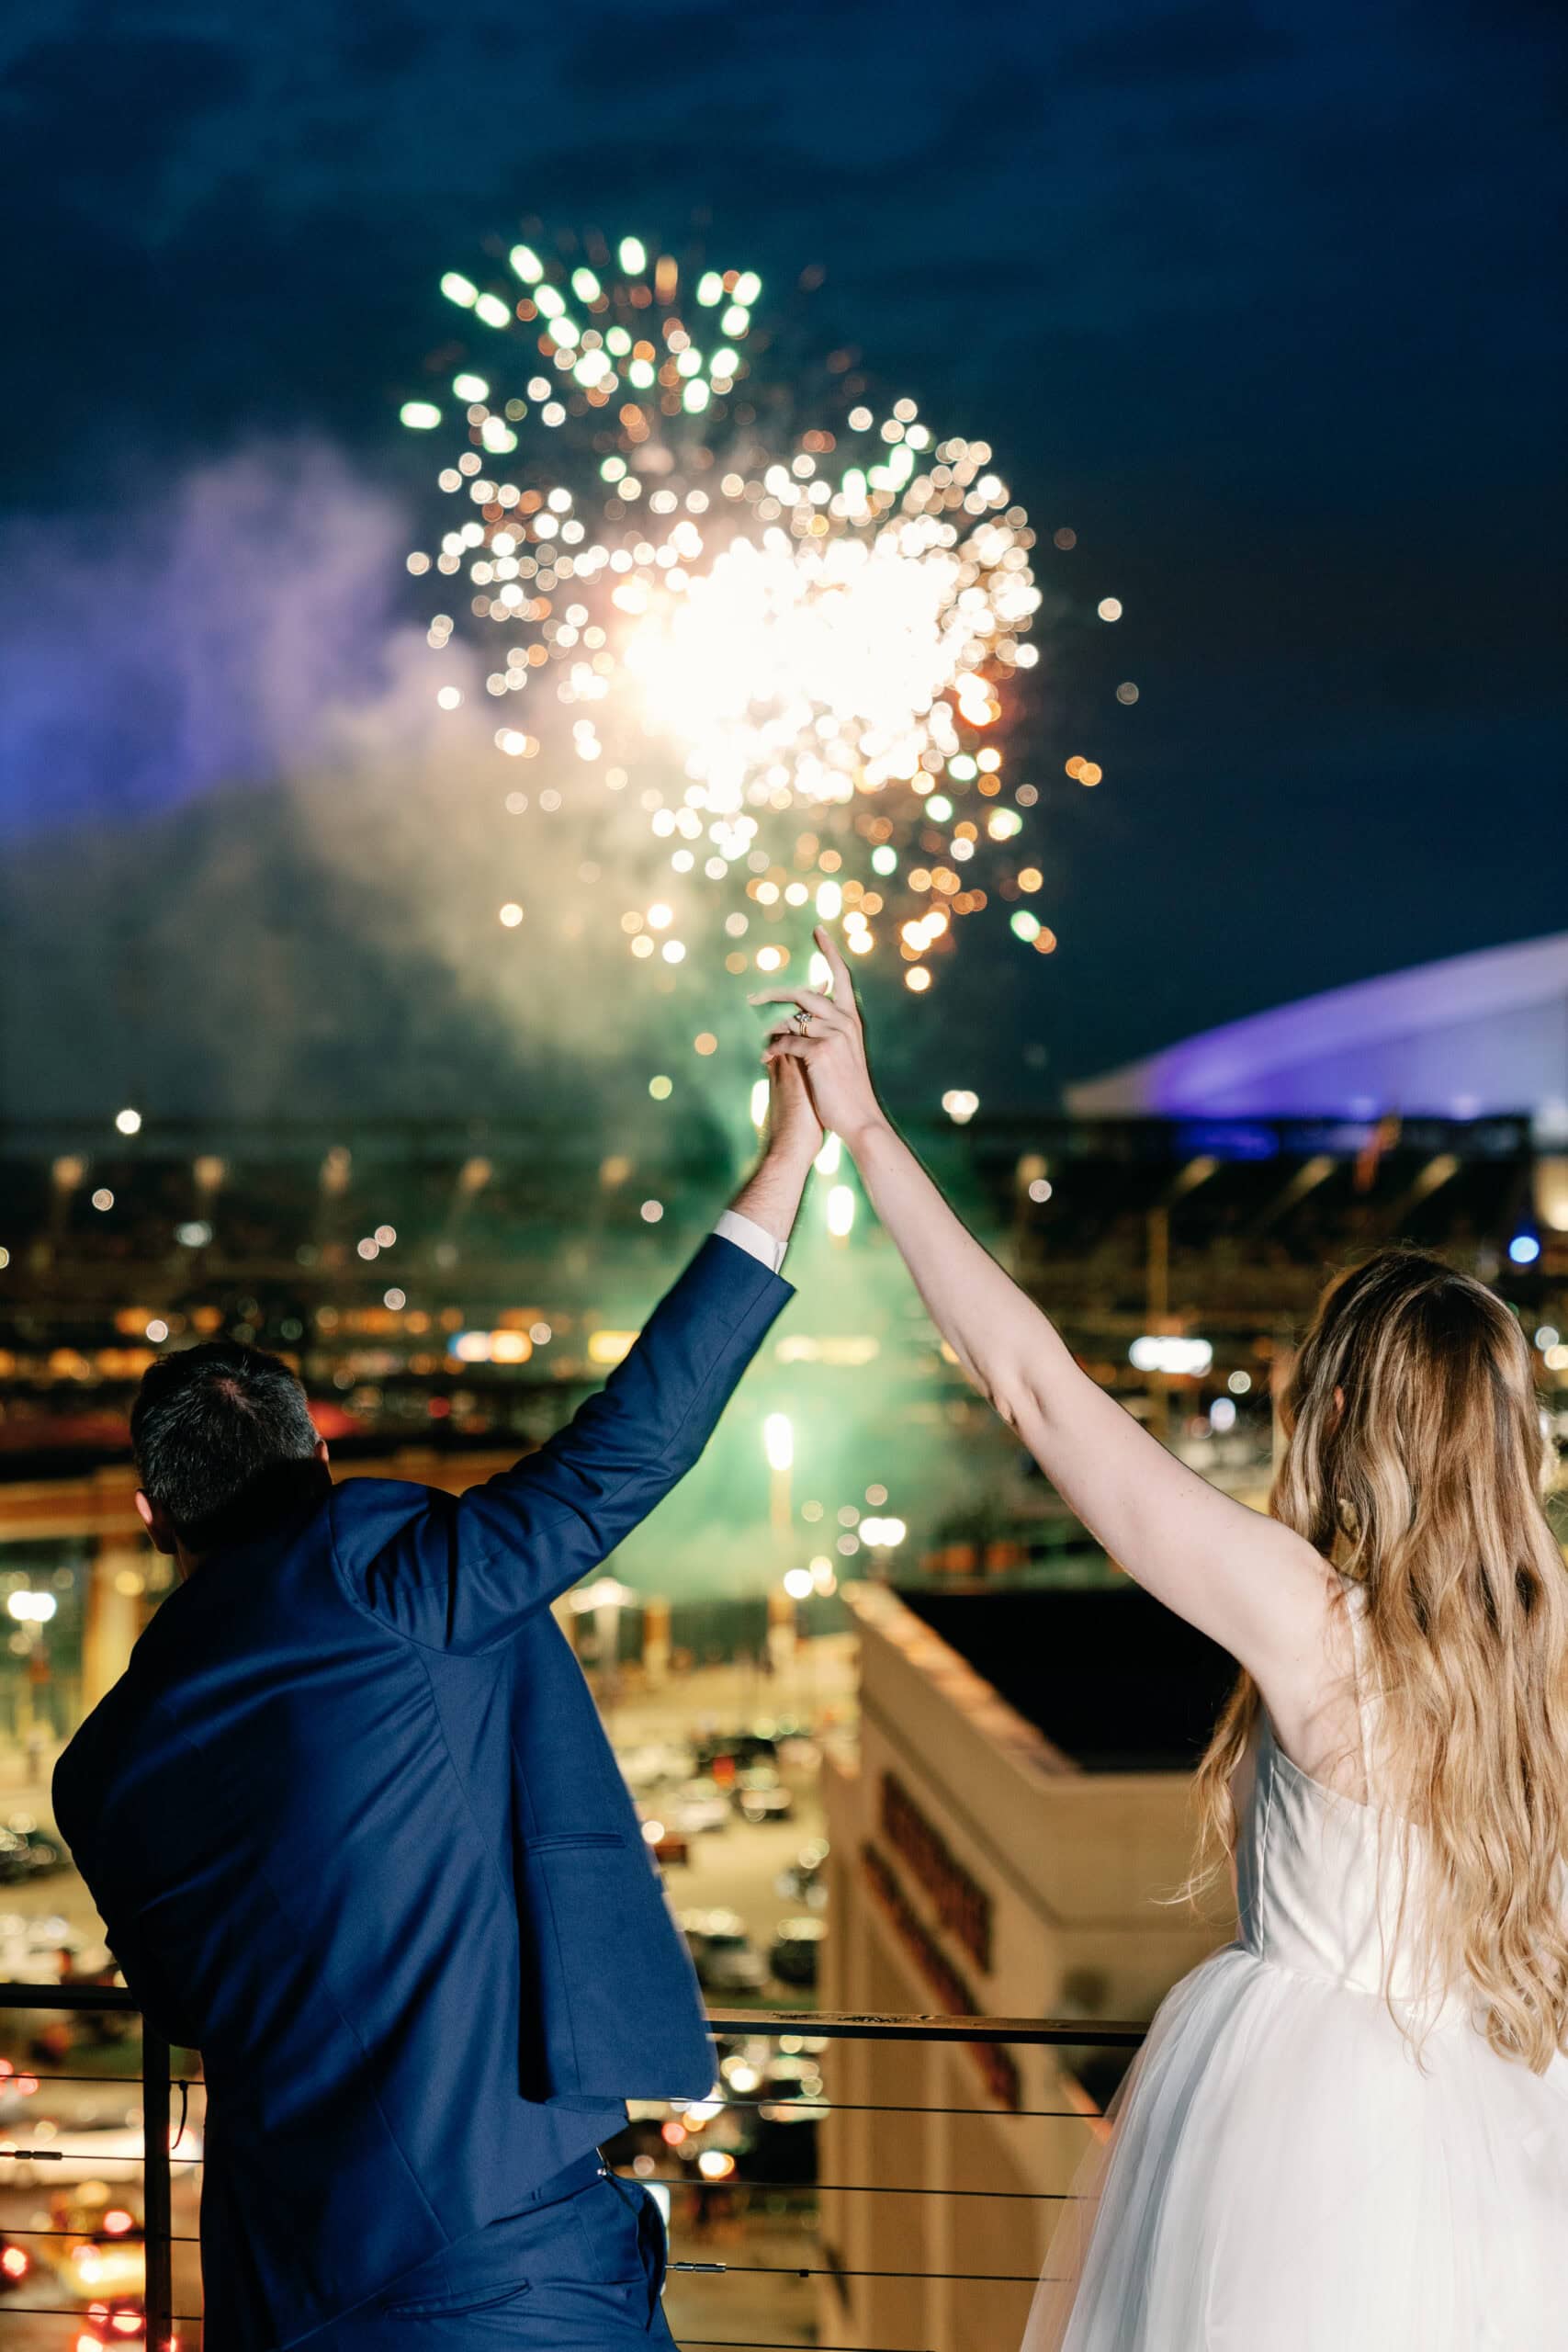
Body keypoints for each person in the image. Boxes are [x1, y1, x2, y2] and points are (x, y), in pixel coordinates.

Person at [757, 930, 1568, 2352]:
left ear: (1339, 1415)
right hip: (1506, 2149)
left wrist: (870, 1132)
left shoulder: (1323, 1626)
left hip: (1303, 2155)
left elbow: (1041, 1396)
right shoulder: (1544, 1664)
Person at [52, 1057, 823, 2351]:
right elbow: (624, 1451)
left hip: (277, 2281)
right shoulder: (384, 1577)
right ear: (321, 1458)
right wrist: (786, 1161)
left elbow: (188, 2003)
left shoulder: (101, 1764)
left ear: (150, 1518)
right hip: (497, 2263)